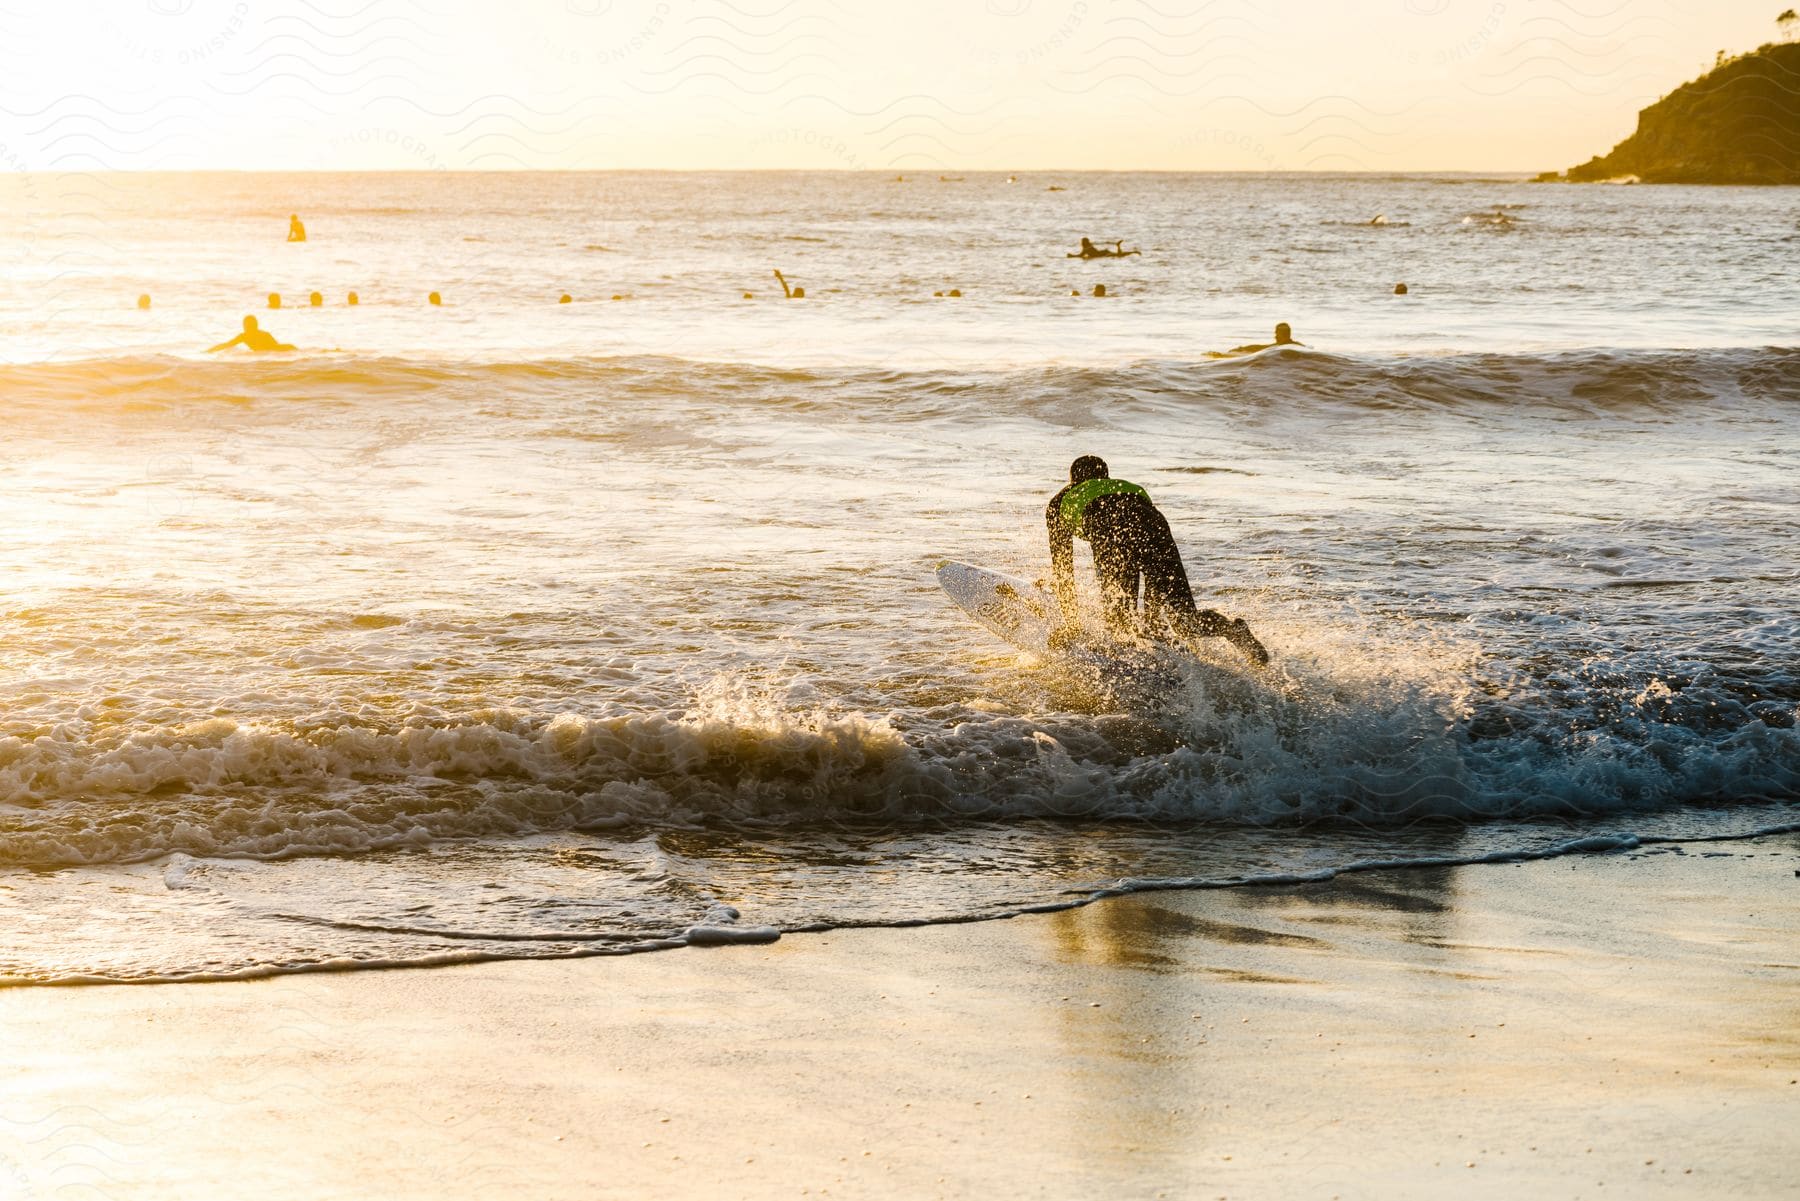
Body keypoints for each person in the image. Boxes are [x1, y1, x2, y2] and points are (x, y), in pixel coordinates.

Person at [1046, 455, 1268, 665]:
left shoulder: (1061, 501)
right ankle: (1232, 630)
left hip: (1112, 531)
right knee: (1183, 621)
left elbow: (1063, 570)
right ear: (1105, 477)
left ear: (1073, 481)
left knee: (1120, 623)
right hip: (1155, 529)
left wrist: (1071, 625)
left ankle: (1140, 674)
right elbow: (1139, 525)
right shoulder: (1124, 487)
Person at [207, 315, 295, 353]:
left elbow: (276, 347)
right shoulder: (244, 336)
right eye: (246, 325)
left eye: (251, 325)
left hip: (281, 349)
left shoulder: (264, 335)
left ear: (256, 325)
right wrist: (210, 351)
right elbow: (227, 344)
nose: (248, 327)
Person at [1221, 322, 1301, 355]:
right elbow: (1259, 347)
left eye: (1277, 334)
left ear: (1285, 335)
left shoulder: (1279, 347)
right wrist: (1242, 349)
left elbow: (1261, 347)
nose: (1275, 336)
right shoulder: (1299, 346)